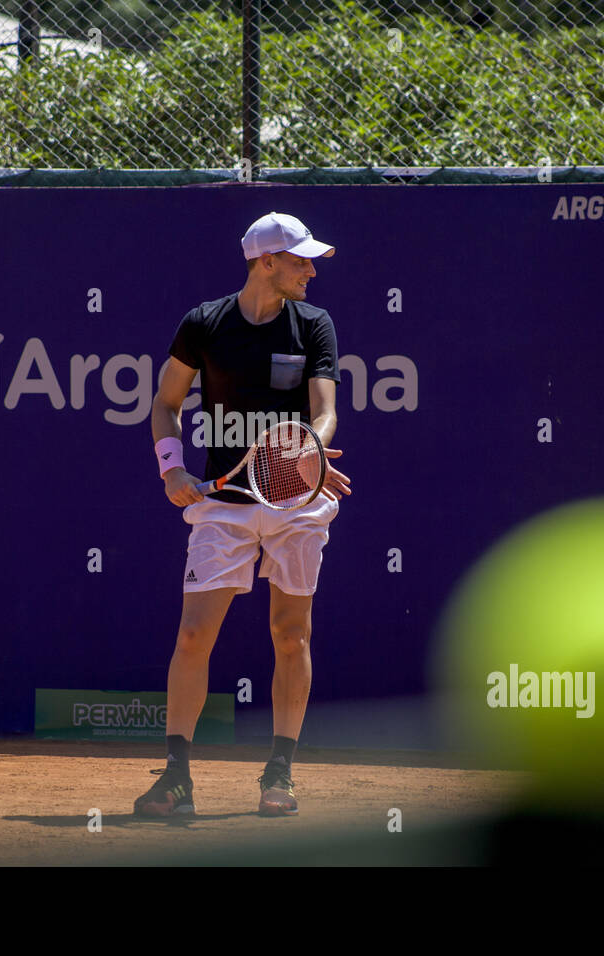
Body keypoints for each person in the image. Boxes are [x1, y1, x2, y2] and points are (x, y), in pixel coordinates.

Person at [135, 212, 352, 818]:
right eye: (301, 259)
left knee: (290, 633)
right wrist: (172, 469)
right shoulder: (203, 324)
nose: (311, 269)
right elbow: (165, 403)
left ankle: (279, 769)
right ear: (267, 263)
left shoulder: (314, 325)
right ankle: (176, 778)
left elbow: (325, 410)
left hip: (297, 506)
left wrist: (306, 454)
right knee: (194, 635)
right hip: (222, 508)